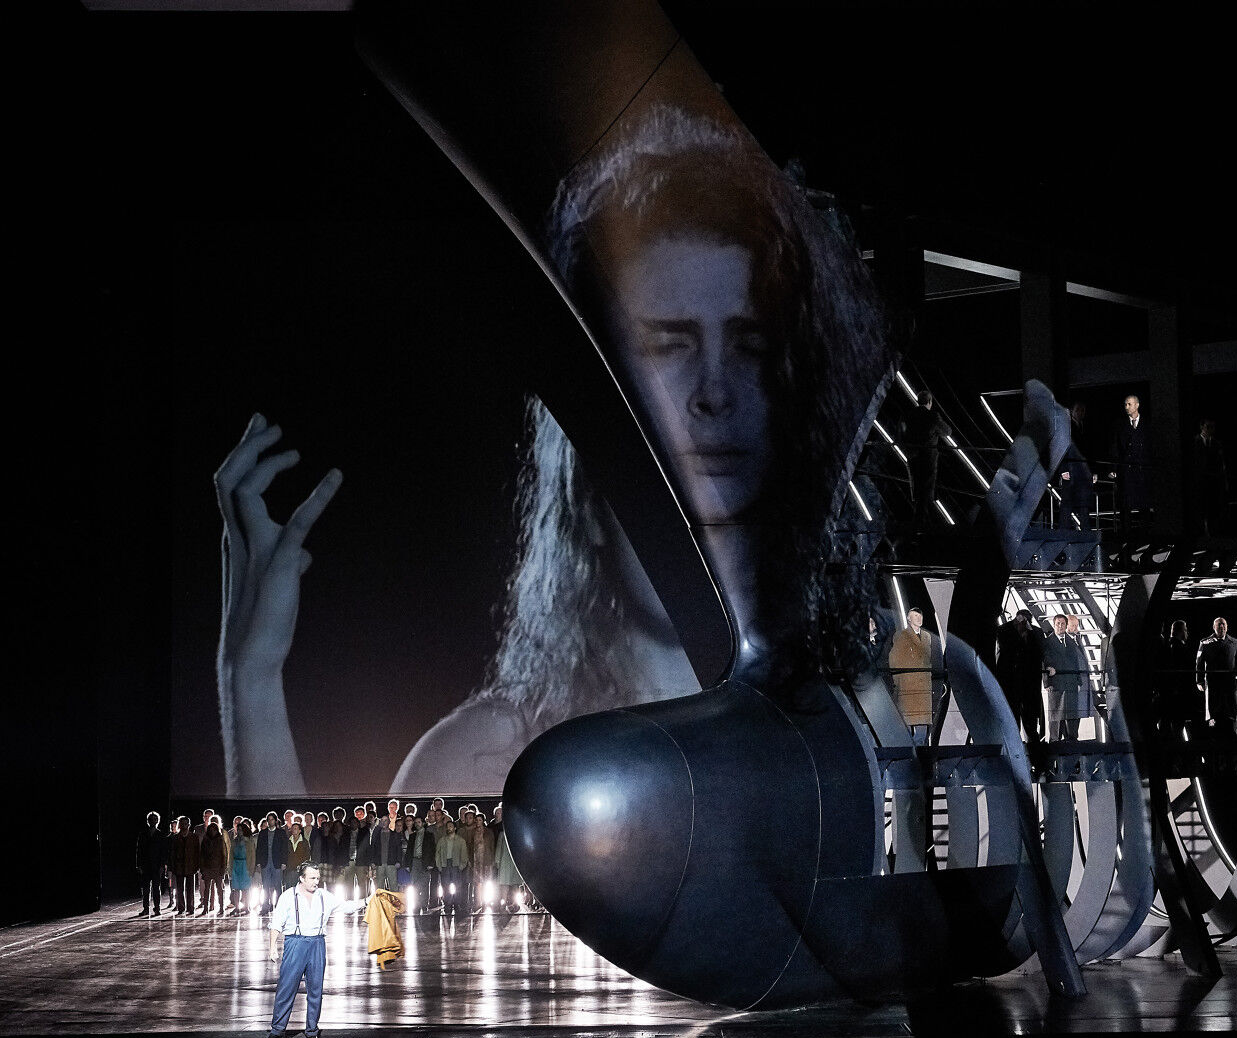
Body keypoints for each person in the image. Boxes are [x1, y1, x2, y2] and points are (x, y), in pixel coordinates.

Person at [213, 101, 888, 799]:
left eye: (750, 346)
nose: (713, 392)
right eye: (670, 345)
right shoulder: (480, 758)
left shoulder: (871, 705)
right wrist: (250, 678)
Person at [262, 862, 369, 1038]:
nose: (316, 881)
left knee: (315, 991)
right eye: (312, 878)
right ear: (301, 878)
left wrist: (367, 901)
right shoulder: (288, 897)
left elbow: (346, 906)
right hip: (295, 944)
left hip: (317, 944)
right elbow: (276, 923)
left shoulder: (324, 896)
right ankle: (277, 1030)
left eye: (317, 878)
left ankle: (311, 1032)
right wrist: (272, 948)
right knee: (286, 989)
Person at [995, 608, 1045, 747]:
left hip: (1024, 682)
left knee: (1026, 716)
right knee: (1016, 714)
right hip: (1014, 681)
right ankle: (1022, 743)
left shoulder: (1035, 632)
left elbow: (1040, 652)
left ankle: (1025, 743)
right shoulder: (1004, 630)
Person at [901, 390, 950, 526]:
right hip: (928, 458)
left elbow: (901, 433)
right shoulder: (933, 416)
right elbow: (947, 431)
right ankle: (924, 522)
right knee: (927, 488)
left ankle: (918, 519)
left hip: (912, 456)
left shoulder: (908, 415)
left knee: (917, 487)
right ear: (929, 402)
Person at [889, 608, 937, 744]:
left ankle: (918, 751)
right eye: (915, 616)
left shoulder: (927, 636)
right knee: (909, 724)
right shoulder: (901, 635)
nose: (919, 618)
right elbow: (895, 660)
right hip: (909, 687)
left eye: (920, 615)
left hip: (923, 688)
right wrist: (901, 681)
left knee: (922, 728)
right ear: (909, 619)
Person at [1196, 616, 1237, 738]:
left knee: (1231, 715)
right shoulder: (1205, 643)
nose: (1221, 626)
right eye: (1219, 624)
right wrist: (1199, 681)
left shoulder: (1235, 643)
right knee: (1213, 718)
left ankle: (1233, 741)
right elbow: (1199, 663)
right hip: (1213, 686)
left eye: (1223, 624)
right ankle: (1213, 741)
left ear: (1227, 627)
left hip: (1229, 686)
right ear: (1214, 627)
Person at [1042, 614, 1091, 741]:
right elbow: (1044, 662)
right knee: (1056, 715)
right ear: (1054, 625)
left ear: (1066, 625)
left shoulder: (1071, 641)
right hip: (1056, 684)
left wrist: (1078, 682)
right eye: (1058, 623)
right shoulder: (1048, 642)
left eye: (1063, 623)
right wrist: (1047, 683)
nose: (1060, 626)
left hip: (1071, 683)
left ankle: (1072, 740)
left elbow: (1075, 662)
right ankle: (1055, 741)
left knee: (1072, 714)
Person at [1110, 394, 1153, 530]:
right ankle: (1126, 534)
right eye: (1125, 404)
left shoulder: (1147, 424)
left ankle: (1145, 533)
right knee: (1126, 505)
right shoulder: (1120, 425)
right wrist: (1114, 469)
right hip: (1127, 471)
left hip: (1142, 471)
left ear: (1137, 405)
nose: (1127, 407)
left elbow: (1152, 447)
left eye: (1129, 404)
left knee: (1144, 505)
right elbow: (1115, 447)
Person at [1154, 620, 1198, 740]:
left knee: (1167, 724)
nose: (1187, 632)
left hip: (1168, 693)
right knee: (1177, 724)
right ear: (1180, 631)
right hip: (1178, 694)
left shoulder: (1167, 646)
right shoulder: (1179, 648)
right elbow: (1184, 671)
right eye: (1185, 630)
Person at [1192, 418, 1228, 536]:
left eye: (1212, 427)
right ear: (1202, 427)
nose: (1211, 430)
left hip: (1213, 482)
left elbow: (1221, 464)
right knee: (1200, 508)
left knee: (1212, 508)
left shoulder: (1217, 444)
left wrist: (1222, 480)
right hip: (1199, 482)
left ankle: (1212, 532)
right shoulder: (1194, 442)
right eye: (1208, 427)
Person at [255, 812, 289, 916]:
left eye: (272, 819)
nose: (270, 821)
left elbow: (285, 848)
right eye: (269, 820)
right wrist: (258, 862)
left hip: (277, 863)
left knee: (278, 886)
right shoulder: (262, 833)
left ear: (276, 820)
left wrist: (284, 862)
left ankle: (279, 907)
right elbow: (259, 849)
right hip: (265, 863)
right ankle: (265, 907)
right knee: (265, 886)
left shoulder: (281, 833)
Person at [135, 812, 168, 918]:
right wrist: (139, 865)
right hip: (145, 866)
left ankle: (157, 908)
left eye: (154, 819)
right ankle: (146, 908)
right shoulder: (143, 834)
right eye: (151, 819)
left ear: (157, 821)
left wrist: (162, 865)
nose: (153, 821)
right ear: (148, 821)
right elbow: (139, 851)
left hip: (156, 866)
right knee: (145, 889)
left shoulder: (161, 834)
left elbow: (163, 852)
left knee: (156, 888)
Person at [434, 819, 469, 917]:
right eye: (447, 827)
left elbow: (464, 854)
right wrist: (439, 865)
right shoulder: (442, 840)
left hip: (456, 864)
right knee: (445, 885)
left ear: (455, 828)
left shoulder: (460, 840)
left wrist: (462, 865)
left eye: (450, 826)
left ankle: (457, 904)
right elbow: (437, 853)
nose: (448, 828)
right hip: (445, 864)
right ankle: (447, 905)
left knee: (457, 885)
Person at [198, 819, 228, 916]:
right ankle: (205, 908)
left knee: (220, 889)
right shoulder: (205, 840)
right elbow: (202, 855)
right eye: (211, 829)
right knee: (206, 889)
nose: (212, 831)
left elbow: (224, 855)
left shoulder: (220, 840)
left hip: (218, 868)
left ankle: (221, 907)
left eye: (214, 829)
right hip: (207, 868)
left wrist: (223, 868)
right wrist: (202, 868)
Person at [171, 816, 199, 916]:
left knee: (190, 889)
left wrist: (197, 865)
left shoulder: (194, 837)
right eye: (182, 824)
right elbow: (172, 853)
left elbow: (197, 852)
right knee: (179, 889)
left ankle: (191, 907)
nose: (183, 825)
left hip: (191, 865)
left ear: (189, 825)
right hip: (179, 866)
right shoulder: (175, 838)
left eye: (185, 823)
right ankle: (181, 907)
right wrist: (172, 866)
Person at [229, 818, 255, 917]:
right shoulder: (234, 841)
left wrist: (251, 869)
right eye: (238, 829)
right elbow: (231, 856)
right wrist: (230, 869)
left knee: (245, 889)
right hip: (236, 865)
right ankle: (237, 907)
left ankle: (246, 906)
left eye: (241, 830)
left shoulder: (249, 841)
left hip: (245, 866)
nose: (239, 831)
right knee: (236, 888)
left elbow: (252, 856)